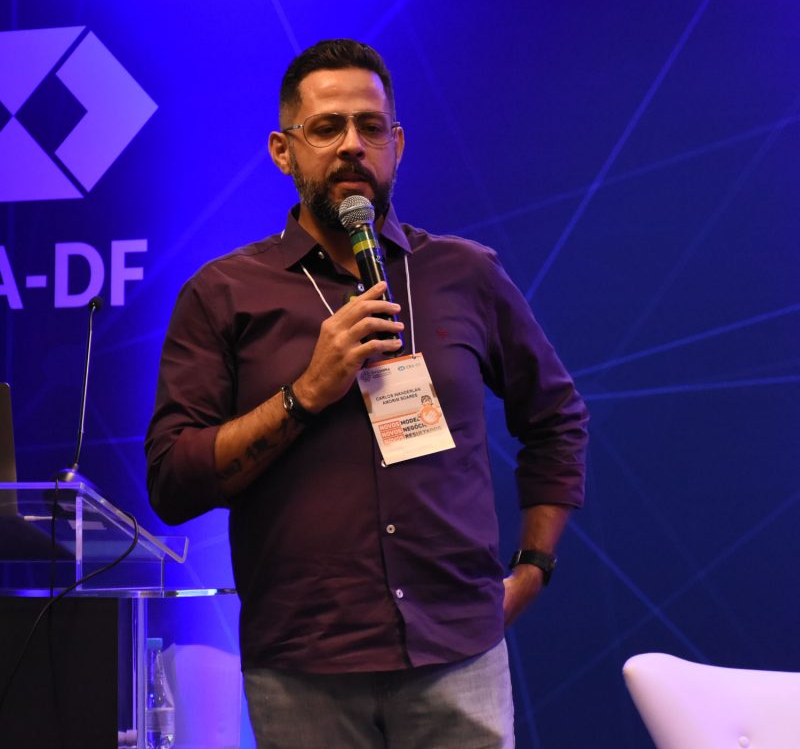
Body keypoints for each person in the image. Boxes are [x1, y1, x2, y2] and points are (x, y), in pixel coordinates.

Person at [145, 38, 588, 748]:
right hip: (304, 664)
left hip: (458, 652)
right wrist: (304, 394)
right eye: (327, 128)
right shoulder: (224, 294)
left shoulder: (465, 273)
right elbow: (172, 480)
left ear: (396, 145)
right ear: (283, 151)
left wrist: (534, 564)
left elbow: (556, 417)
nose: (352, 145)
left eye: (371, 127)